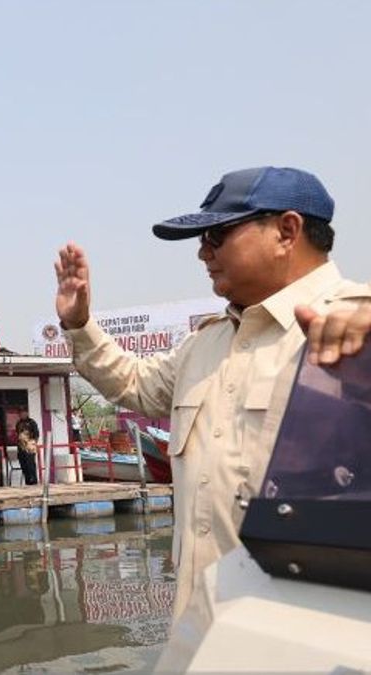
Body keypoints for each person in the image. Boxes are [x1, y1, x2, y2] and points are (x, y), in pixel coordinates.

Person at [53, 166, 371, 666]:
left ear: (286, 231)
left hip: (309, 649)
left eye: (217, 235)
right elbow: (134, 382)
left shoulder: (355, 326)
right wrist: (79, 324)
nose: (204, 252)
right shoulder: (207, 343)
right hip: (201, 635)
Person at [14, 408, 40, 485]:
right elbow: (17, 434)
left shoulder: (32, 422)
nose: (22, 414)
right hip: (21, 446)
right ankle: (27, 481)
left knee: (30, 464)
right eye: (20, 413)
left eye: (23, 413)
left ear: (27, 413)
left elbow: (36, 435)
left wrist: (32, 444)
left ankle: (34, 481)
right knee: (23, 464)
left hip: (30, 445)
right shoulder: (18, 423)